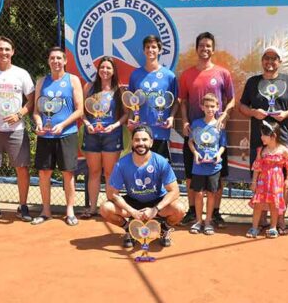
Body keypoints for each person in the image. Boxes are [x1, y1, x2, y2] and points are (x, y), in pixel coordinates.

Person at [239, 46, 288, 234]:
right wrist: (252, 112)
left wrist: (287, 113)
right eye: (267, 58)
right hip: (259, 140)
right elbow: (242, 106)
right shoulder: (252, 82)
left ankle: (280, 219)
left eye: (274, 58)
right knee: (261, 180)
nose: (270, 62)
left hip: (282, 139)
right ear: (262, 61)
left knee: (282, 181)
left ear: (280, 62)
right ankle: (264, 218)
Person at [179, 32, 235, 228]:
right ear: (196, 48)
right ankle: (193, 212)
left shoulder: (223, 73)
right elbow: (183, 101)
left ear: (213, 48)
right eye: (201, 45)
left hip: (214, 135)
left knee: (217, 175)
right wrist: (185, 122)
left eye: (208, 46)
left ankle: (215, 213)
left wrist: (224, 116)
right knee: (190, 175)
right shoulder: (186, 74)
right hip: (194, 134)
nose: (205, 49)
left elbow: (232, 100)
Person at [100, 125, 184, 247]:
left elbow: (175, 191)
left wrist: (155, 209)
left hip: (157, 202)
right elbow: (112, 194)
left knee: (180, 209)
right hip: (133, 202)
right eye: (137, 140)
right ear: (132, 142)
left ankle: (164, 230)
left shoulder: (161, 162)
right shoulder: (121, 164)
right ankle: (130, 229)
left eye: (144, 140)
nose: (141, 143)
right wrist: (132, 212)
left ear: (151, 142)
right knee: (105, 208)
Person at [32, 47, 83, 226]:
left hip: (66, 134)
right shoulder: (41, 82)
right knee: (44, 172)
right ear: (48, 61)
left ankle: (70, 211)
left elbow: (80, 110)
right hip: (45, 136)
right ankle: (46, 211)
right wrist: (38, 124)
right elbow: (36, 111)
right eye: (52, 58)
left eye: (59, 58)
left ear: (65, 61)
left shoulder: (73, 80)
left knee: (68, 173)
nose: (56, 61)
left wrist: (62, 125)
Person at [80, 56, 128, 219]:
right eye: (102, 67)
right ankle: (92, 208)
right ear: (98, 70)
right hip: (92, 135)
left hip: (112, 136)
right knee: (94, 172)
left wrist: (114, 126)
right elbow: (82, 112)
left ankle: (110, 207)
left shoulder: (119, 90)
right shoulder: (89, 87)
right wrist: (88, 124)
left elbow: (125, 115)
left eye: (108, 68)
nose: (105, 71)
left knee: (109, 173)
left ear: (113, 71)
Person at [0, 36, 34, 221]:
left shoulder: (21, 74)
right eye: (0, 49)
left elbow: (32, 99)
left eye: (6, 49)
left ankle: (23, 206)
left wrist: (19, 115)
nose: (3, 52)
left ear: (13, 52)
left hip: (16, 130)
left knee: (21, 168)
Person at [128, 35, 179, 160]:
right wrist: (130, 120)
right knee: (139, 169)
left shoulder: (169, 76)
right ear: (144, 50)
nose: (150, 50)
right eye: (147, 47)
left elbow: (176, 101)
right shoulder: (135, 74)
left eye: (154, 47)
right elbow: (131, 102)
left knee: (160, 170)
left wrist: (171, 117)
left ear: (159, 50)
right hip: (140, 133)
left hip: (160, 132)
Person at [246, 120, 288, 238]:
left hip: (277, 182)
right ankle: (254, 227)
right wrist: (254, 182)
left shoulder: (283, 150)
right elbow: (257, 167)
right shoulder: (261, 150)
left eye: (264, 135)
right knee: (258, 205)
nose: (261, 137)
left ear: (273, 136)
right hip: (263, 181)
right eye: (261, 134)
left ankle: (273, 227)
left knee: (274, 205)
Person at [188, 93, 227, 235]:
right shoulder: (196, 123)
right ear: (202, 107)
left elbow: (222, 145)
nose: (210, 109)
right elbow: (190, 141)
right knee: (198, 194)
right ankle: (198, 221)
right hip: (198, 166)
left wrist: (218, 155)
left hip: (214, 167)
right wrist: (195, 153)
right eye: (207, 106)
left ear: (217, 108)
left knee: (211, 194)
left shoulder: (220, 125)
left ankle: (208, 221)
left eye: (212, 106)